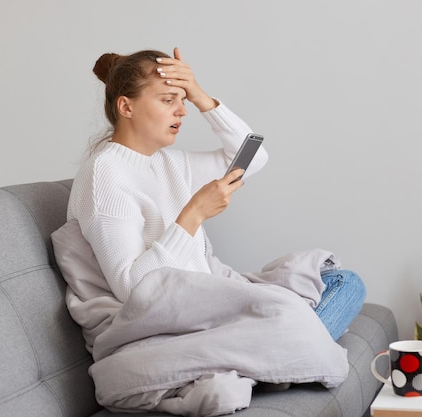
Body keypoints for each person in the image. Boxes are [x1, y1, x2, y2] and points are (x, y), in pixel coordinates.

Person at [67, 47, 365, 346]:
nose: (182, 111)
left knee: (344, 283)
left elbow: (254, 157)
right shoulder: (104, 174)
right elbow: (133, 290)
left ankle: (289, 346)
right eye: (169, 100)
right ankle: (291, 348)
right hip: (181, 322)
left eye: (182, 101)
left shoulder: (169, 163)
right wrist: (193, 214)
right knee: (305, 313)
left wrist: (201, 96)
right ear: (126, 107)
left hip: (211, 303)